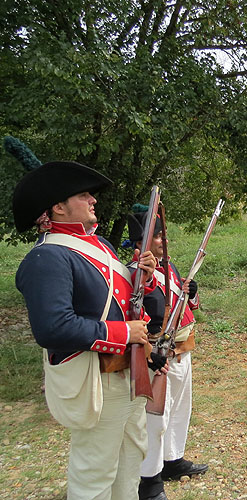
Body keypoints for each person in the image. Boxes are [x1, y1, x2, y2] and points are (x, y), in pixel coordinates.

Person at [10, 143, 158, 499]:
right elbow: (53, 327)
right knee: (94, 472)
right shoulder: (47, 257)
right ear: (58, 207)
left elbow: (110, 297)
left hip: (125, 371)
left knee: (130, 459)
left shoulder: (100, 245)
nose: (93, 200)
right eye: (83, 195)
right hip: (96, 378)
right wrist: (122, 333)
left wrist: (141, 276)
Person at [127, 209, 208, 500]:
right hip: (158, 355)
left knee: (179, 410)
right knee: (155, 420)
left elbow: (184, 304)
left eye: (163, 235)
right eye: (157, 236)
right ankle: (149, 479)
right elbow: (137, 315)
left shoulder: (168, 267)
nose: (163, 241)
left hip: (182, 348)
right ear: (141, 243)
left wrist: (191, 292)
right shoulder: (134, 274)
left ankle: (172, 459)